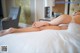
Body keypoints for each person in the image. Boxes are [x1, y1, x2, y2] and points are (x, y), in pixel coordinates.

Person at [1, 10, 80, 36]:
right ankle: (14, 30)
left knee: (41, 27)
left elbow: (65, 17)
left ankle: (13, 30)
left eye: (76, 12)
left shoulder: (77, 16)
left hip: (67, 24)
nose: (75, 12)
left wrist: (46, 22)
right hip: (68, 27)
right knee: (41, 28)